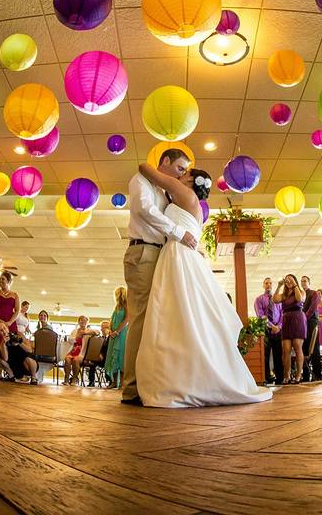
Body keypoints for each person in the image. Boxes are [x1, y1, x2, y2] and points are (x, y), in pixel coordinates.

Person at [132, 162, 272, 406]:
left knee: (174, 314)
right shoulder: (195, 205)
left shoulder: (180, 190)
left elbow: (144, 167)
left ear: (190, 181)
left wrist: (169, 173)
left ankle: (179, 377)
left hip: (176, 255)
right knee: (189, 314)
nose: (180, 174)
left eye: (184, 172)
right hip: (188, 257)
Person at [121, 149, 197, 406]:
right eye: (179, 168)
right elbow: (144, 210)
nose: (182, 174)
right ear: (164, 161)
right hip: (142, 252)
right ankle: (131, 389)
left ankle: (149, 382)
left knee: (156, 320)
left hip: (158, 256)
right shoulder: (140, 180)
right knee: (140, 320)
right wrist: (178, 232)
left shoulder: (167, 193)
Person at [275, 274, 306, 384]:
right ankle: (287, 376)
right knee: (286, 350)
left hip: (298, 319)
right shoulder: (284, 295)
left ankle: (298, 375)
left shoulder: (300, 291)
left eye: (290, 279)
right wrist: (279, 286)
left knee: (297, 346)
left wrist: (295, 285)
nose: (288, 282)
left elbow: (299, 299)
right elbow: (275, 300)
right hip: (286, 320)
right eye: (286, 280)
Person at [254, 277, 283, 385]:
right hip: (266, 330)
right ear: (263, 285)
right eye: (266, 283)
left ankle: (280, 378)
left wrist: (279, 326)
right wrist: (271, 326)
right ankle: (266, 377)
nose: (268, 285)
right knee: (265, 355)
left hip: (278, 330)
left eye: (270, 283)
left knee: (278, 355)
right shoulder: (259, 299)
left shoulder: (278, 299)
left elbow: (282, 314)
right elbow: (260, 316)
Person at [300, 276, 322, 382]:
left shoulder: (314, 293)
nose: (303, 283)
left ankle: (317, 375)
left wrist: (303, 318)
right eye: (302, 281)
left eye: (305, 281)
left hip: (311, 323)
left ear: (309, 283)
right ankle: (305, 376)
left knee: (314, 349)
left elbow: (313, 308)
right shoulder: (299, 294)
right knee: (303, 349)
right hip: (301, 324)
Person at [105, 286, 129, 389]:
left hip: (121, 334)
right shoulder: (116, 307)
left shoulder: (126, 305)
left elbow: (127, 319)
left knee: (121, 357)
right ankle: (114, 382)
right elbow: (112, 319)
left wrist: (117, 332)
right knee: (112, 358)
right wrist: (110, 330)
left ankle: (122, 383)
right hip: (113, 335)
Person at [63, 315, 97, 386]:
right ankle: (66, 379)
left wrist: (85, 333)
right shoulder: (74, 331)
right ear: (78, 322)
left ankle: (74, 379)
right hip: (73, 350)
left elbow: (97, 332)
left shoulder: (89, 330)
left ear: (87, 322)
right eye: (81, 320)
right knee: (67, 359)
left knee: (75, 360)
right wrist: (77, 337)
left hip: (82, 353)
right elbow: (70, 340)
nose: (83, 321)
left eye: (85, 320)